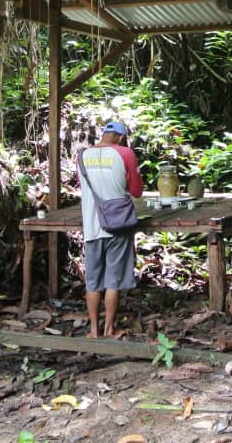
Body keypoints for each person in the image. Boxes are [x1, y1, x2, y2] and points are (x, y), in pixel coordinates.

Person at [77, 121, 144, 338]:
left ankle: (94, 330)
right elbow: (136, 191)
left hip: (92, 226)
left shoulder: (82, 156)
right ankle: (109, 329)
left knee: (93, 282)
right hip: (118, 224)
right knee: (113, 280)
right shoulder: (125, 153)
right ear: (121, 137)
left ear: (104, 134)